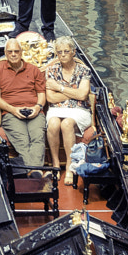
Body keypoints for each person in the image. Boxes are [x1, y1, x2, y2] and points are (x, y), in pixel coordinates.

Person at [0, 37, 49, 167]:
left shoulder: (33, 70)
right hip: (11, 113)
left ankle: (31, 170)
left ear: (21, 52)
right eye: (10, 52)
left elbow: (41, 94)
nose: (13, 54)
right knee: (23, 140)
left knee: (37, 137)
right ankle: (36, 170)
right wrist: (13, 110)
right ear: (5, 53)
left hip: (34, 111)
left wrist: (37, 108)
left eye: (16, 51)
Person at [42, 37, 93, 184]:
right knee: (52, 123)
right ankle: (56, 165)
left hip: (79, 110)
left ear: (73, 52)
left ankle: (70, 168)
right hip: (57, 109)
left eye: (66, 51)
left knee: (67, 124)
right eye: (59, 52)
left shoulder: (84, 70)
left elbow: (83, 95)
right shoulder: (51, 70)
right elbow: (50, 98)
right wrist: (73, 92)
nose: (62, 55)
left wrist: (60, 88)